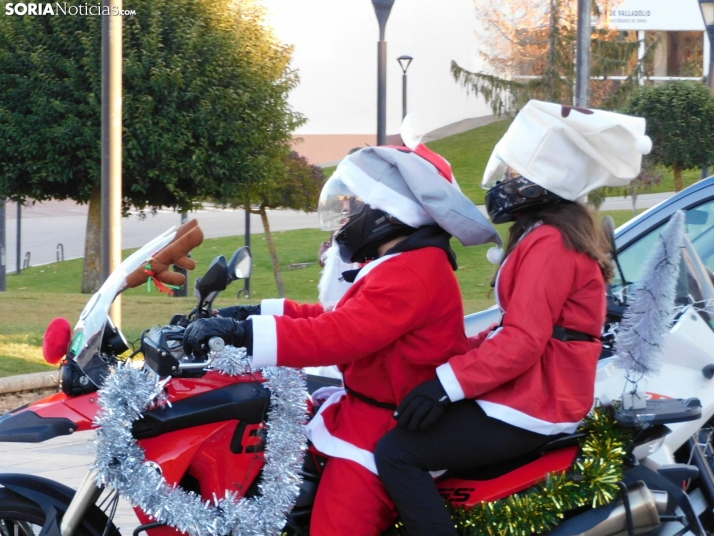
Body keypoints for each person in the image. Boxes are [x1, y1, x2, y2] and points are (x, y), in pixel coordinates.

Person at [182, 143, 501, 535]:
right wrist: (248, 314)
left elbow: (339, 336)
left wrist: (241, 334)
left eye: (350, 207)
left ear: (387, 212)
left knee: (336, 526)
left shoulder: (414, 271)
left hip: (387, 425)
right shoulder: (399, 262)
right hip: (364, 411)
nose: (341, 217)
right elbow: (337, 318)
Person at [373, 100, 653, 536]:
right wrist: (454, 353)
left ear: (546, 180)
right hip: (533, 391)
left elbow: (523, 340)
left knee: (396, 452)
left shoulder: (551, 243)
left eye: (514, 175)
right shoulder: (553, 235)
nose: (504, 183)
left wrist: (446, 385)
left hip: (534, 400)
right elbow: (515, 325)